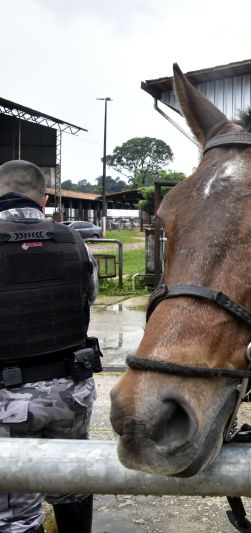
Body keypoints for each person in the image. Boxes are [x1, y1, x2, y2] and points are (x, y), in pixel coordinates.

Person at [0, 160, 100, 533]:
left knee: (15, 516)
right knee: (73, 486)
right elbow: (87, 297)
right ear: (44, 198)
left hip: (7, 402)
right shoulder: (74, 241)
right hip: (71, 391)